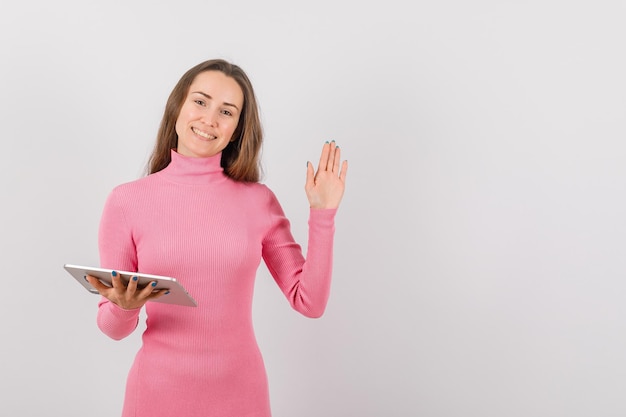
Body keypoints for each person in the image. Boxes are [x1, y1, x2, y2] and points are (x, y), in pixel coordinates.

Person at [86, 58, 348, 417]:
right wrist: (123, 306)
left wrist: (322, 214)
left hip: (241, 397)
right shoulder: (127, 201)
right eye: (200, 101)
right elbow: (112, 329)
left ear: (238, 128)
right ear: (177, 107)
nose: (209, 119)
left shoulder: (258, 201)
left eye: (227, 111)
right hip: (156, 397)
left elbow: (310, 302)